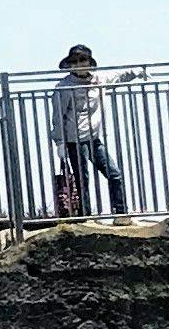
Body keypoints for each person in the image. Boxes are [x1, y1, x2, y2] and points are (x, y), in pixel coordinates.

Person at [53, 43, 127, 215]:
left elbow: (120, 75)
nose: (79, 64)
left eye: (83, 60)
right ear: (70, 65)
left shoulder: (98, 80)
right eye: (75, 61)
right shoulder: (63, 87)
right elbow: (58, 116)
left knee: (114, 174)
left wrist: (140, 71)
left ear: (90, 62)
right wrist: (60, 142)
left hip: (94, 139)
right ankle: (85, 216)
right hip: (74, 140)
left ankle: (121, 212)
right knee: (82, 180)